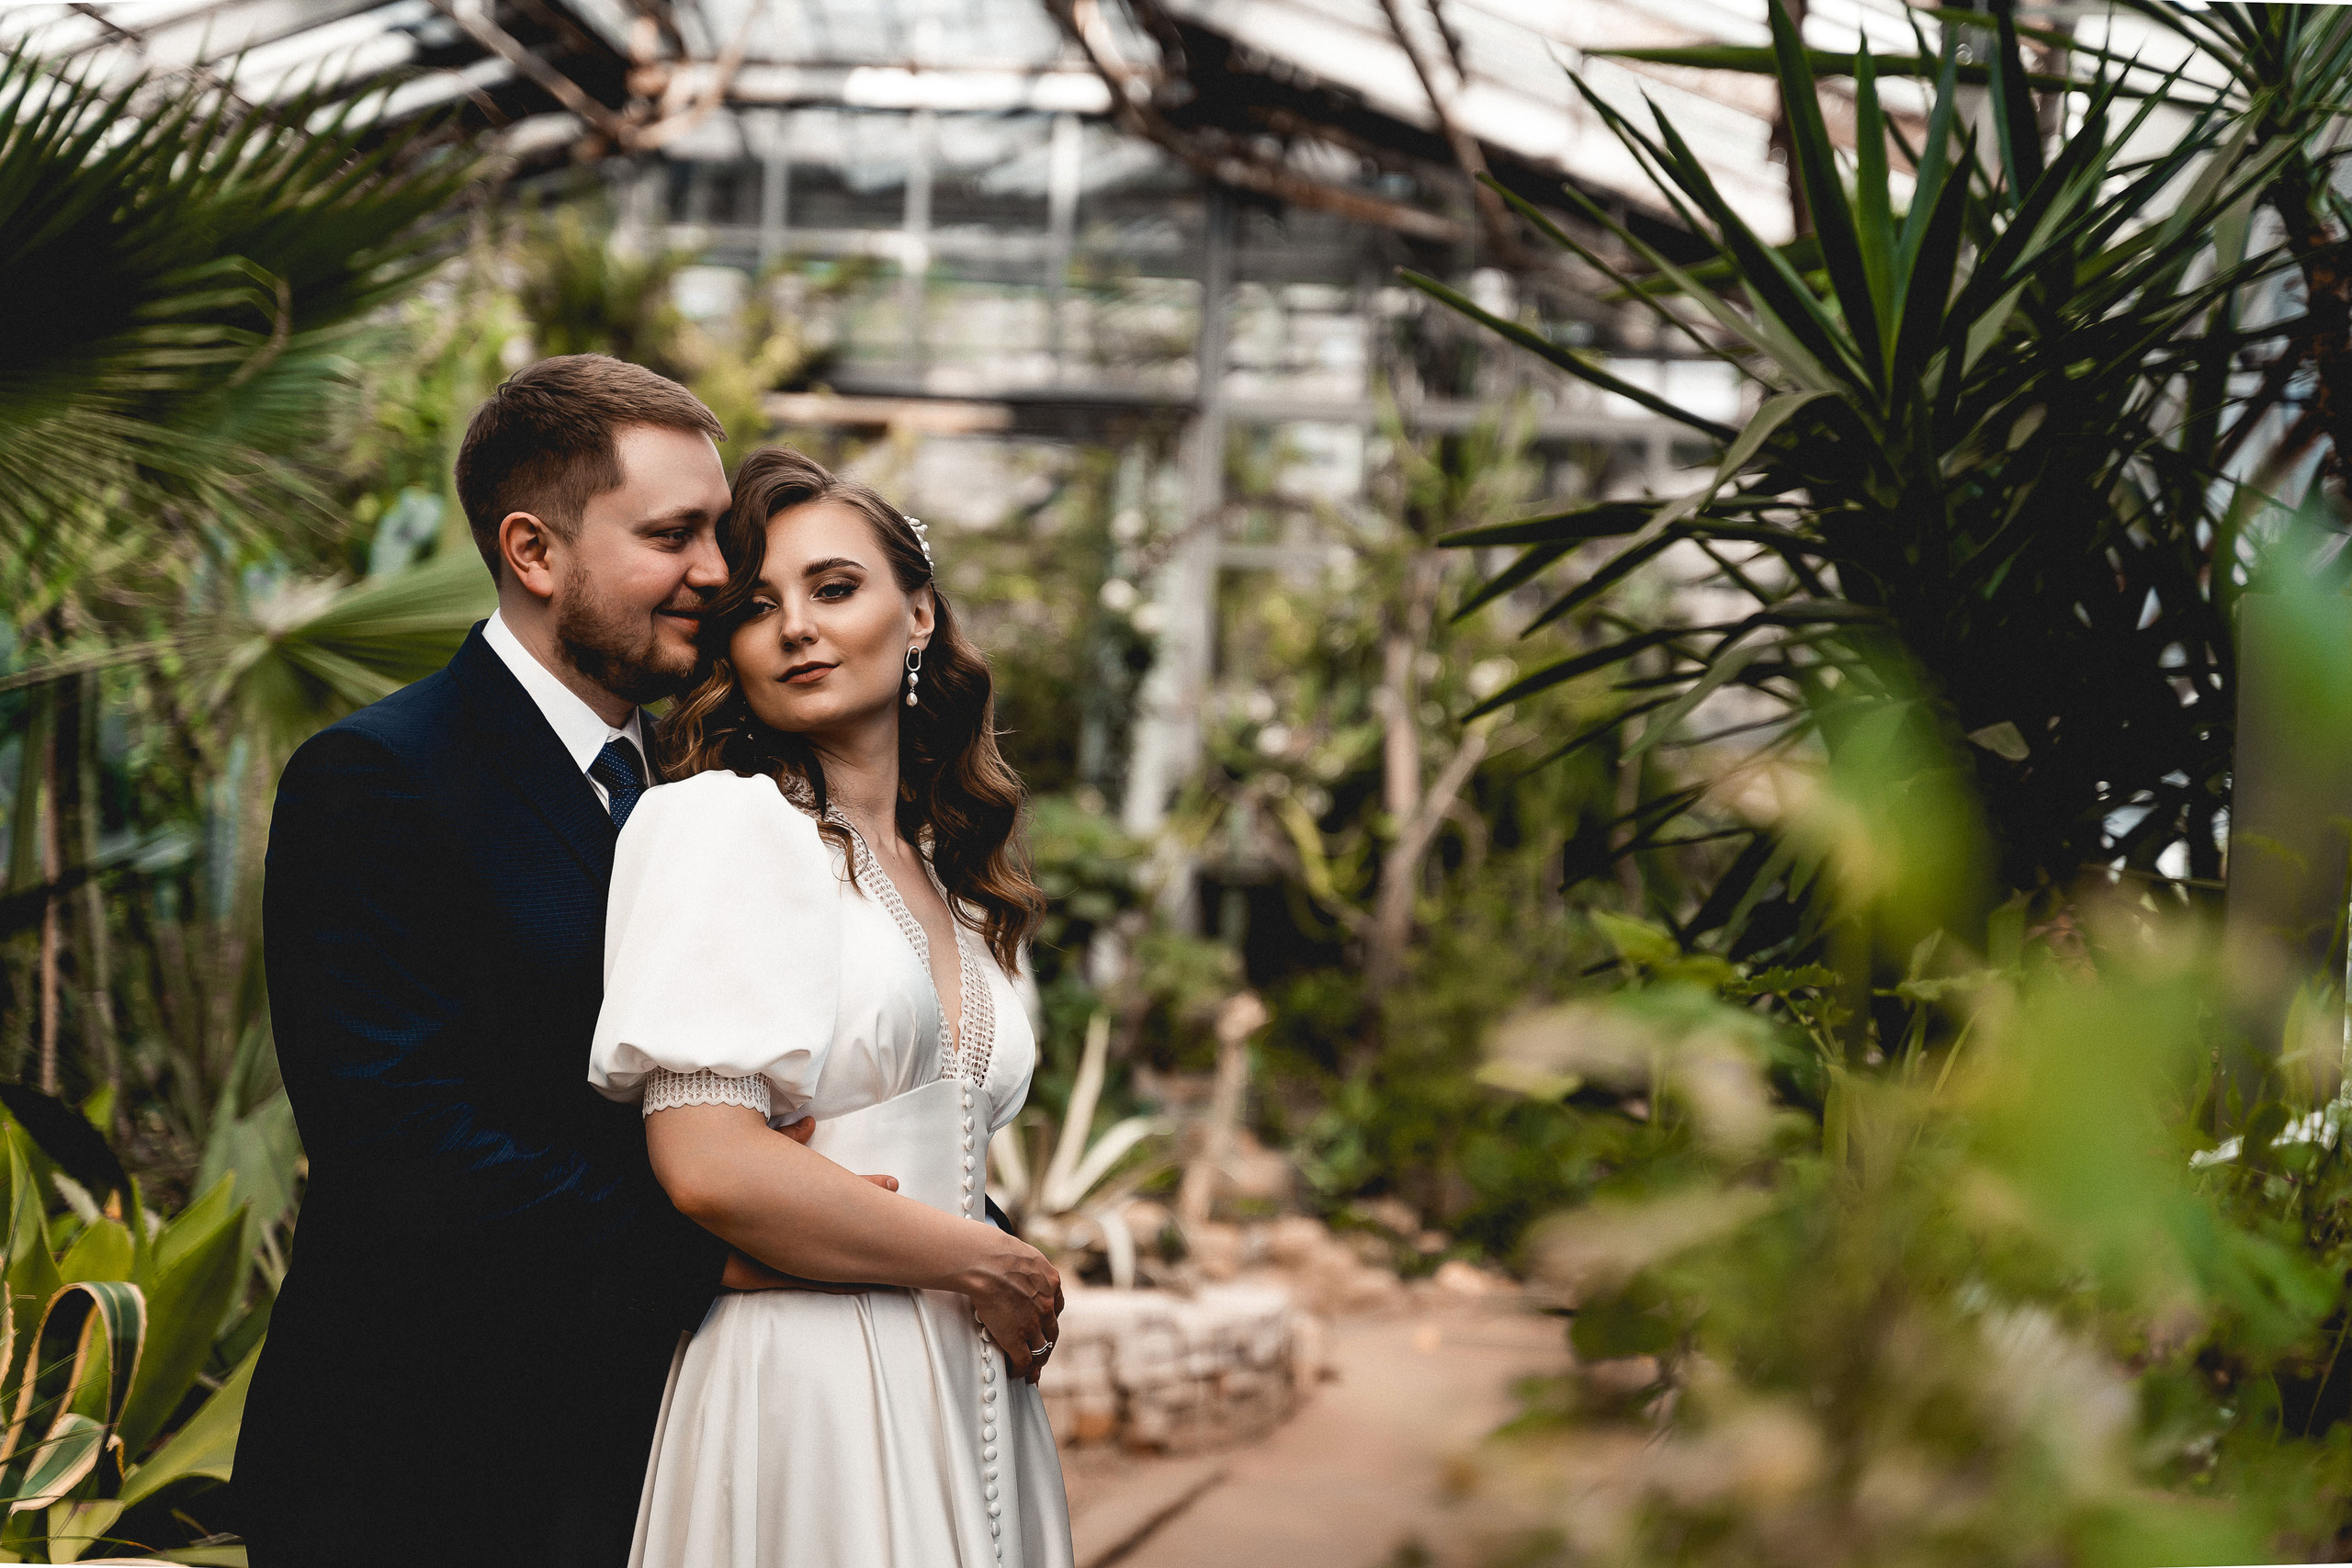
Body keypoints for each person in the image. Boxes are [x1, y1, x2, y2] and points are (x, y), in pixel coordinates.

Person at [239, 355, 775, 1566]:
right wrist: (729, 1246)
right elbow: (407, 1143)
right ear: (534, 552)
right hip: (422, 1468)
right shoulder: (376, 777)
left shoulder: (696, 793)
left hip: (646, 1455)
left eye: (720, 534)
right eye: (674, 534)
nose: (718, 573)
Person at [587, 446, 1075, 1568]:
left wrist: (978, 1271)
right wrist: (986, 1262)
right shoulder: (723, 824)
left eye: (835, 588)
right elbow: (707, 1163)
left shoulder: (955, 878)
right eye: (758, 608)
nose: (797, 627)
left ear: (918, 613)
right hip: (808, 1380)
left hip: (971, 1382)